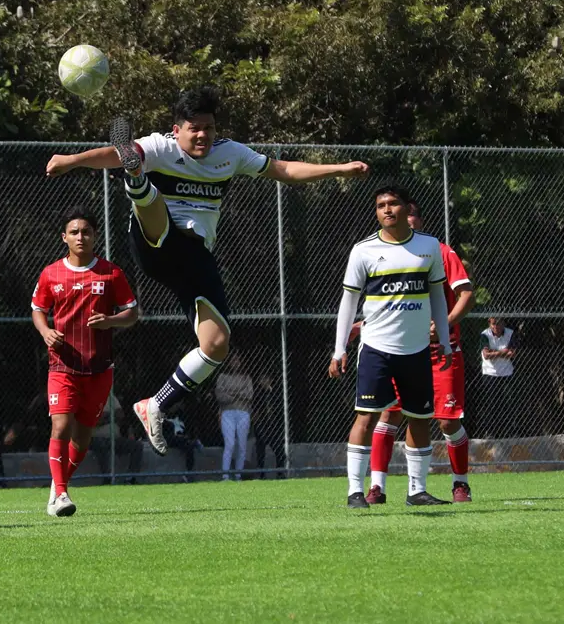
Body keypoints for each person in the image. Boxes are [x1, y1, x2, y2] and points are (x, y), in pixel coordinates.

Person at [46, 87, 368, 455]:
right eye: (194, 128)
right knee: (150, 198)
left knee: (216, 344)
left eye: (209, 128)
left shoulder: (229, 154)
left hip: (194, 257)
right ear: (176, 129)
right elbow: (110, 154)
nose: (202, 135)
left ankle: (155, 404)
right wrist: (71, 160)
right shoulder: (160, 146)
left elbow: (283, 170)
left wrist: (339, 168)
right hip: (155, 244)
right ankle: (135, 178)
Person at [329, 185, 453, 508]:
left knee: (419, 419)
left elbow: (438, 296)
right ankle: (355, 491)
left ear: (405, 208)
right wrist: (339, 349)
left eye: (393, 204)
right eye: (381, 204)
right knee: (367, 418)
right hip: (376, 349)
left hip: (416, 351)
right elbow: (348, 302)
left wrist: (444, 337)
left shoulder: (428, 248)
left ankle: (417, 490)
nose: (387, 209)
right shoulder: (363, 250)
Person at [359, 199, 476, 504]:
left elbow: (466, 294)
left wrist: (445, 322)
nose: (402, 223)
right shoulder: (382, 255)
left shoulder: (440, 251)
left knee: (448, 421)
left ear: (419, 223)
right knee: (390, 413)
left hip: (440, 352)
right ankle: (378, 487)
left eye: (410, 219)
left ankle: (460, 483)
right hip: (402, 350)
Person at [31, 207, 139, 515]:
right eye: (75, 232)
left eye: (86, 231)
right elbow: (38, 309)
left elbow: (131, 313)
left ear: (95, 236)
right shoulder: (51, 273)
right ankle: (62, 495)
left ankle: (58, 483)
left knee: (83, 435)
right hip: (62, 365)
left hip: (99, 368)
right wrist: (45, 330)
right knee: (61, 425)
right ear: (64, 237)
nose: (81, 236)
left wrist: (111, 321)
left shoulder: (111, 273)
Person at [215, 353, 253, 481]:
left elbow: (249, 394)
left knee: (242, 445)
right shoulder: (222, 377)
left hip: (243, 412)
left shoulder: (246, 378)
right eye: (233, 361)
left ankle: (238, 475)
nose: (235, 363)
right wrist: (238, 395)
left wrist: (231, 393)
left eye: (238, 360)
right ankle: (225, 475)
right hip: (227, 413)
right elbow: (220, 395)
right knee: (229, 444)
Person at [480, 317, 518, 435]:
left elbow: (512, 354)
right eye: (493, 324)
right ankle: (490, 432)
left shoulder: (510, 333)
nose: (496, 326)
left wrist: (494, 352)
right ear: (489, 324)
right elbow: (486, 355)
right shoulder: (485, 334)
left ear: (504, 323)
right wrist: (503, 352)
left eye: (499, 323)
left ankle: (510, 432)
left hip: (507, 373)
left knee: (509, 403)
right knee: (491, 404)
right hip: (490, 373)